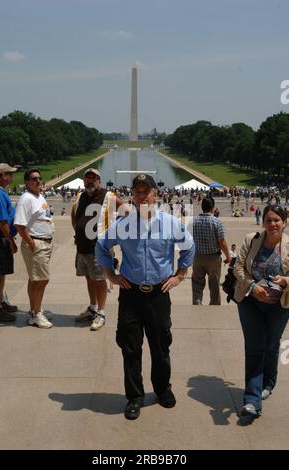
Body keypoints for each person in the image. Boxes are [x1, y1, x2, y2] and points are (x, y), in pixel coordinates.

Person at [96, 173, 195, 420]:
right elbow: (101, 246)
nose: (141, 196)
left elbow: (189, 247)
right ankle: (134, 396)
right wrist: (111, 275)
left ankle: (162, 389)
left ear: (155, 194)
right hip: (131, 294)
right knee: (130, 348)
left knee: (161, 346)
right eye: (137, 192)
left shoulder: (170, 223)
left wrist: (180, 275)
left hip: (159, 294)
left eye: (146, 191)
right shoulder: (123, 224)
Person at [234, 205, 289, 419]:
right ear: (263, 221)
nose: (273, 224)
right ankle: (252, 400)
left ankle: (268, 382)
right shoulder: (252, 239)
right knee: (256, 347)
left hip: (279, 305)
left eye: (277, 220)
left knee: (272, 344)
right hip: (250, 301)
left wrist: (285, 280)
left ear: (284, 222)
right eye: (269, 220)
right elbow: (238, 267)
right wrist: (252, 287)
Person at [71, 168, 125, 331]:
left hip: (99, 247)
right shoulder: (80, 196)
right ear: (84, 180)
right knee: (89, 278)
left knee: (100, 280)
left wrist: (116, 232)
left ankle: (101, 312)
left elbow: (127, 211)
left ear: (99, 180)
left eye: (93, 179)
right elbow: (75, 216)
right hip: (82, 246)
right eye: (87, 179)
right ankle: (93, 307)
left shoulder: (109, 196)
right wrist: (78, 231)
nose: (90, 181)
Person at [14, 169, 54, 328]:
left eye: (39, 178)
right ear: (27, 182)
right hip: (37, 243)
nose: (38, 181)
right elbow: (19, 224)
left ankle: (34, 310)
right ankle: (37, 314)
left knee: (35, 279)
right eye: (34, 179)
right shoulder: (26, 199)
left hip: (44, 242)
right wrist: (31, 243)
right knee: (42, 280)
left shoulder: (38, 195)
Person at [0, 163, 18, 322]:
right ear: (3, 176)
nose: (12, 176)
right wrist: (11, 241)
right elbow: (2, 221)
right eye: (10, 174)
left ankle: (0, 301)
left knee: (0, 273)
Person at [192, 197, 231, 305]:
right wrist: (228, 256)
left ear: (202, 207)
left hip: (198, 257)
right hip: (213, 258)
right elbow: (222, 241)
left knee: (197, 284)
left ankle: (197, 303)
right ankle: (214, 306)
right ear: (213, 208)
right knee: (214, 285)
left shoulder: (194, 221)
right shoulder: (217, 221)